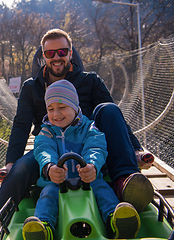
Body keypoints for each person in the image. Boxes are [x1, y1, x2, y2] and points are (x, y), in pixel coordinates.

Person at [0, 28, 154, 240]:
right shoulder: (32, 88)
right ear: (43, 56)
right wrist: (10, 163)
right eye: (50, 53)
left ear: (71, 53)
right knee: (20, 169)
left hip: (90, 145)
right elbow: (21, 125)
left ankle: (125, 182)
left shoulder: (89, 81)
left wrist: (135, 149)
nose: (56, 57)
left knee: (108, 108)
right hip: (51, 149)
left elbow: (114, 117)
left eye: (62, 52)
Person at [21, 79, 140, 240]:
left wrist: (92, 165)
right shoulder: (47, 131)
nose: (56, 114)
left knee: (102, 188)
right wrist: (49, 167)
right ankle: (44, 226)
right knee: (47, 194)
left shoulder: (89, 128)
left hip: (87, 179)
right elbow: (43, 149)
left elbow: (96, 147)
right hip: (57, 182)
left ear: (75, 108)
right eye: (50, 109)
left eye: (62, 107)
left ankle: (114, 219)